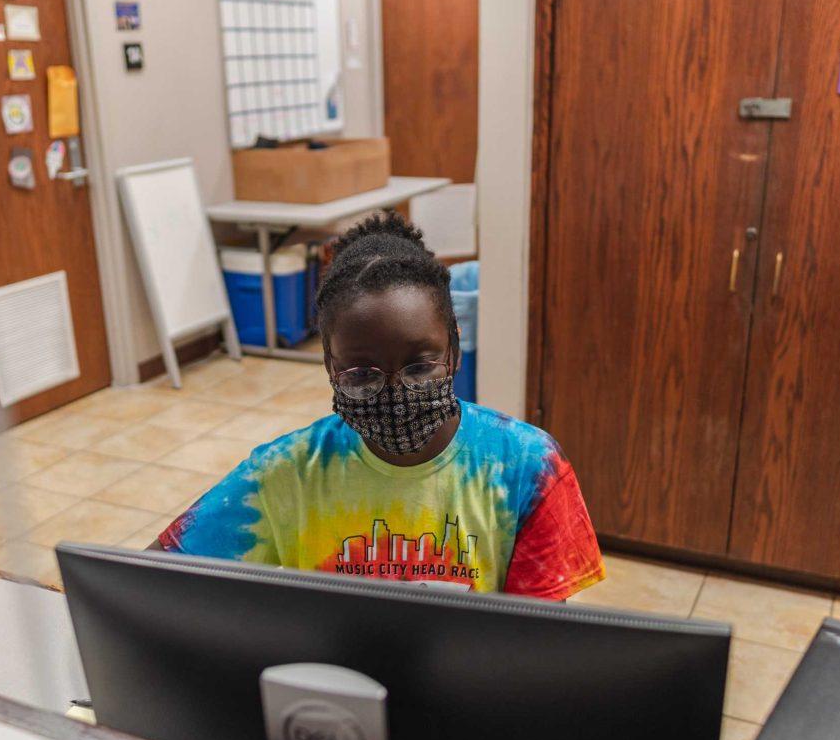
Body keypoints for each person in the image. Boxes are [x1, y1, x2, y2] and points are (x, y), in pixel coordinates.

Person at [152, 213, 604, 600]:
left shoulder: (528, 468)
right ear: (330, 366)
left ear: (454, 353)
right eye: (362, 374)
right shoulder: (285, 472)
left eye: (419, 366)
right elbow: (154, 577)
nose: (396, 394)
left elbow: (538, 644)